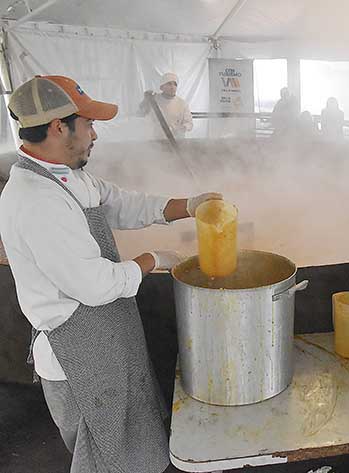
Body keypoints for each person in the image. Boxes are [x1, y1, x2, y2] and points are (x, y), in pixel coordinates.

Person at [0, 75, 222, 473]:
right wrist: (152, 259)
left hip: (106, 338)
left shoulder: (68, 176)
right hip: (77, 357)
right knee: (103, 457)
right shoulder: (36, 199)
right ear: (57, 127)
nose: (94, 135)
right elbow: (94, 284)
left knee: (133, 445)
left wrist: (188, 205)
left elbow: (120, 204)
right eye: (88, 124)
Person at [138, 72, 193, 139]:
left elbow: (189, 123)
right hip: (157, 141)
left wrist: (182, 128)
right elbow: (141, 113)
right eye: (169, 84)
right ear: (161, 87)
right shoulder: (154, 100)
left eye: (175, 84)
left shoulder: (182, 103)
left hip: (177, 142)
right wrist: (145, 100)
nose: (172, 87)